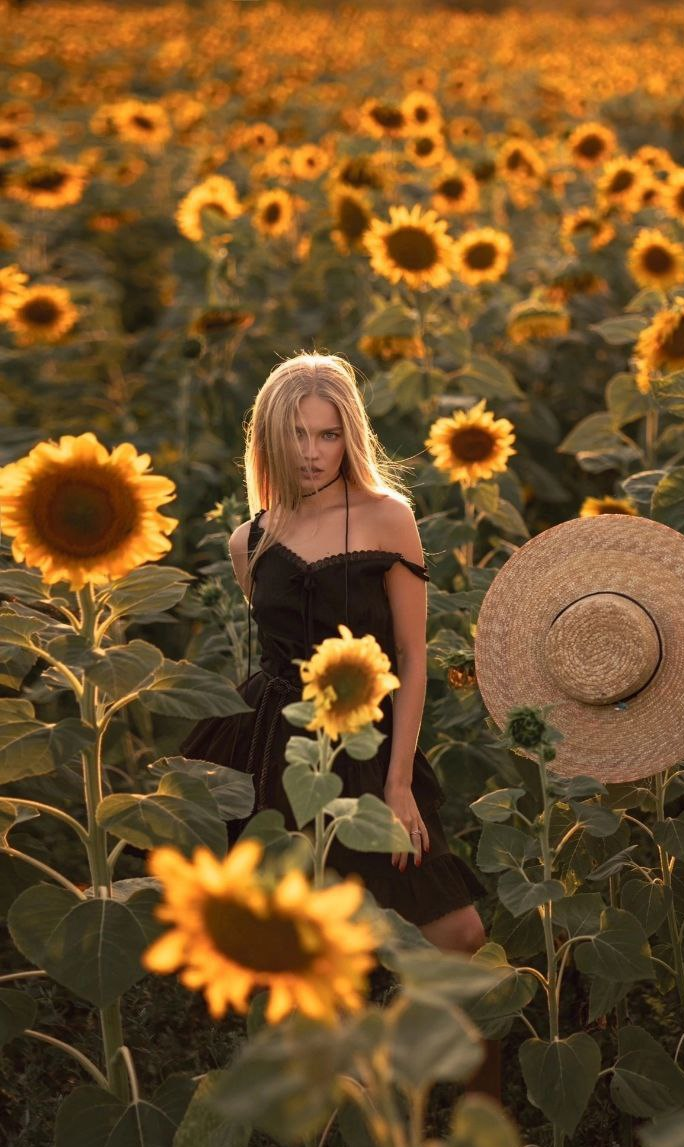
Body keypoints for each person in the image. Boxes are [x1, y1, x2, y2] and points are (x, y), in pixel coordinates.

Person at [180, 352, 499, 1013]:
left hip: (368, 740)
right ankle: (325, 1091)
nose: (312, 453)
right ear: (269, 438)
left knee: (458, 934)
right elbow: (276, 648)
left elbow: (412, 656)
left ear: (347, 436)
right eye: (296, 434)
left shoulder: (388, 516)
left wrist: (399, 782)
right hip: (275, 743)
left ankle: (465, 1081)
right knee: (300, 949)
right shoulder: (250, 539)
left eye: (327, 434)